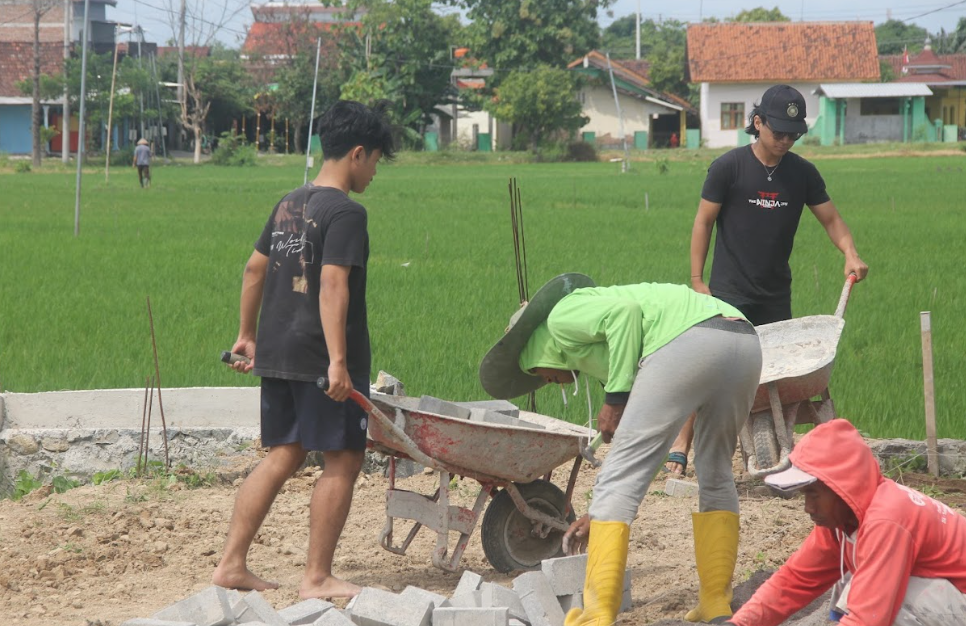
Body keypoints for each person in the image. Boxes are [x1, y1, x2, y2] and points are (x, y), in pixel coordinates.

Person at [480, 274, 763, 625]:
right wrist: (598, 513)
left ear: (535, 349)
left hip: (687, 341)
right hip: (744, 343)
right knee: (717, 472)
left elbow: (626, 314)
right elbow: (648, 450)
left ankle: (597, 615)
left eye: (537, 372)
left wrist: (614, 401)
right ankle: (716, 604)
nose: (546, 380)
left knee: (618, 478)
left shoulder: (559, 317)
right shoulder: (607, 341)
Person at [211, 100, 395, 599]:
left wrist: (246, 334)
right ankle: (316, 577)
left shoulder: (289, 203)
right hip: (321, 357)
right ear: (357, 153)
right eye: (376, 160)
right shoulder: (347, 213)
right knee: (343, 460)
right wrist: (338, 361)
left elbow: (254, 269)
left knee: (283, 454)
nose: (375, 172)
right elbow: (333, 285)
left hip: (277, 348)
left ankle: (230, 564)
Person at [664, 84, 870, 477]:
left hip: (775, 293)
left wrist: (850, 252)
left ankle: (783, 451)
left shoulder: (802, 174)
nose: (786, 141)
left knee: (774, 377)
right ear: (757, 123)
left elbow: (832, 219)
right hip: (727, 292)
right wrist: (696, 279)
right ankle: (682, 443)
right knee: (710, 367)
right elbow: (703, 222)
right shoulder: (728, 168)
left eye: (793, 134)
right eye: (779, 132)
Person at [723, 419, 966, 626]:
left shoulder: (887, 520)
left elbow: (867, 619)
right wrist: (739, 623)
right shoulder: (842, 520)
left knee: (891, 597)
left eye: (814, 494)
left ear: (842, 488)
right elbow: (795, 580)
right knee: (856, 582)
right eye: (804, 495)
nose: (808, 507)